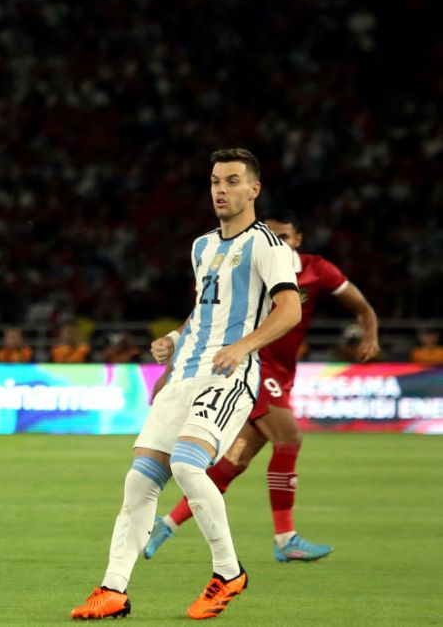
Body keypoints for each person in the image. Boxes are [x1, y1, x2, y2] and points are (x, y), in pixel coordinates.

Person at [71, 148, 301, 621]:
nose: (221, 189)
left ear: (254, 189)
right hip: (185, 375)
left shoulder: (268, 246)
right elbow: (207, 313)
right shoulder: (201, 246)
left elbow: (290, 310)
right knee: (139, 481)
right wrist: (174, 342)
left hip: (230, 374)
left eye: (233, 181)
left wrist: (244, 346)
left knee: (188, 465)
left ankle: (228, 571)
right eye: (216, 180)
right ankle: (113, 589)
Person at [144, 209, 380, 564]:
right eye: (272, 236)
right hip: (252, 364)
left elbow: (361, 306)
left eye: (284, 237)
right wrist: (173, 364)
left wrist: (371, 333)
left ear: (297, 240)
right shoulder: (252, 261)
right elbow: (204, 313)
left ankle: (167, 524)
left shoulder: (317, 270)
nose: (277, 243)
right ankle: (286, 539)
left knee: (234, 462)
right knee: (289, 439)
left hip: (283, 371)